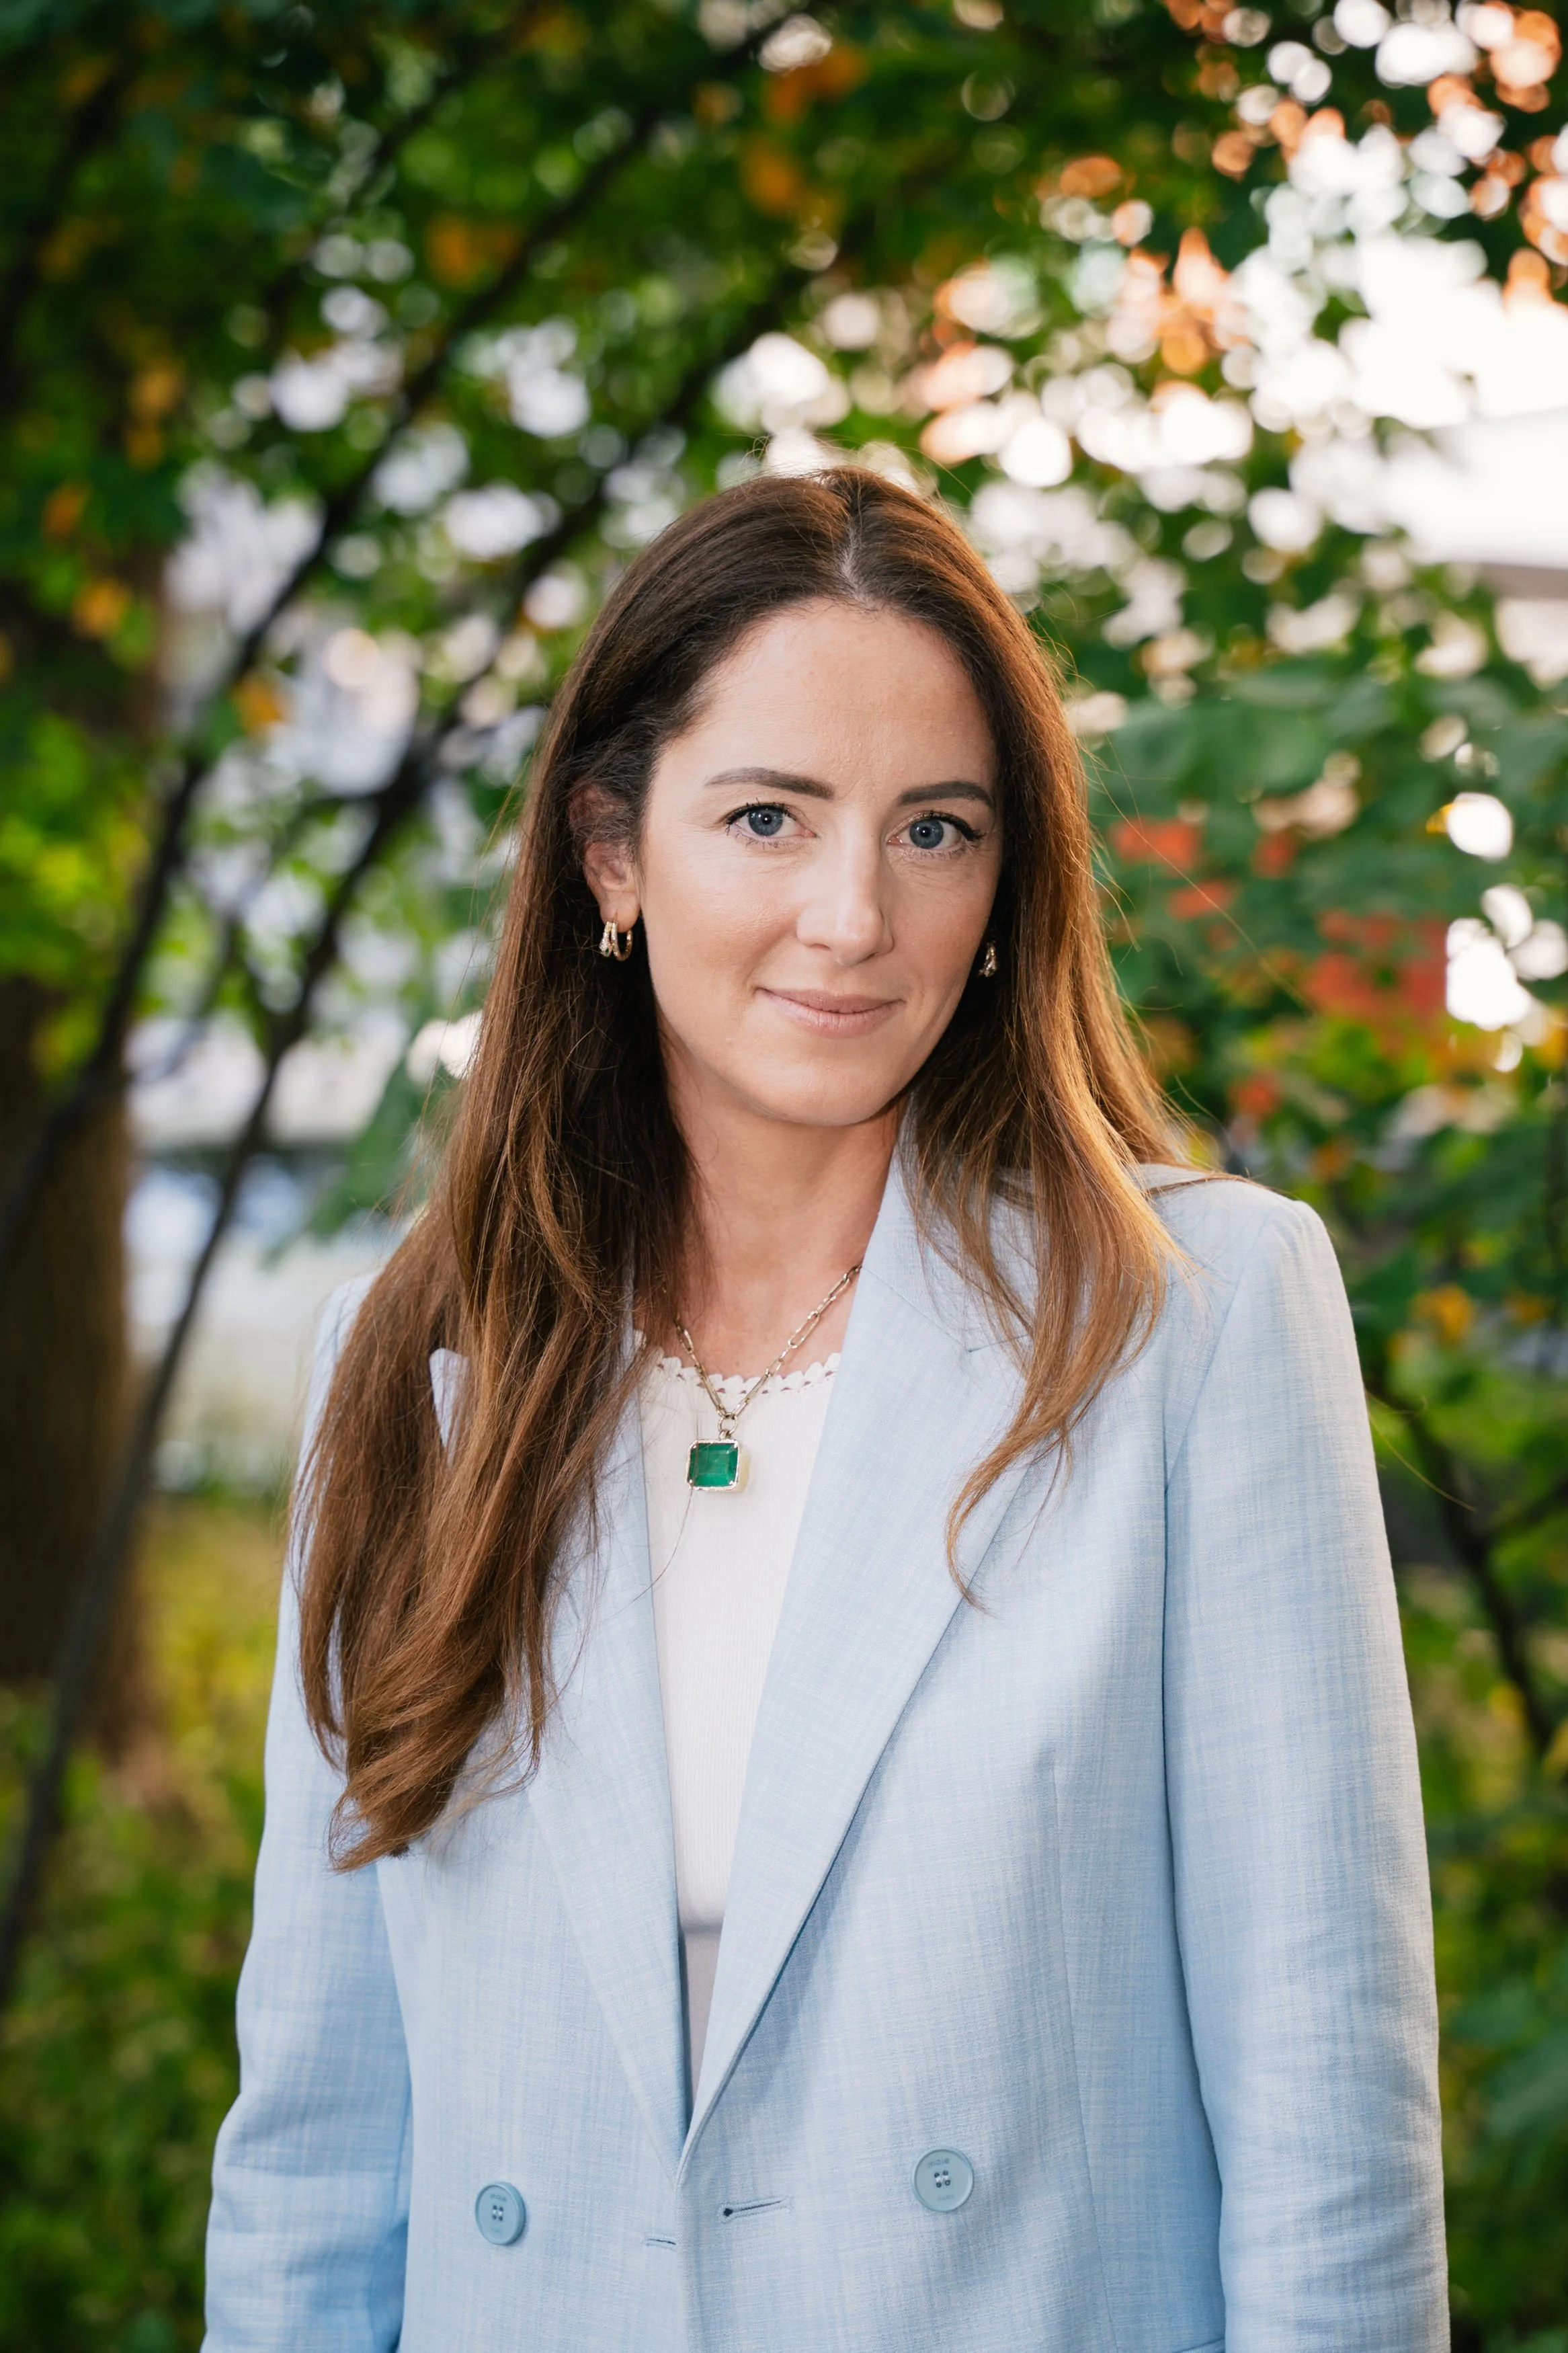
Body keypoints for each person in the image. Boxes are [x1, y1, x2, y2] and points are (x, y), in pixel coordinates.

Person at [204, 468, 1446, 2352]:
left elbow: (1325, 2115)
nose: (853, 915)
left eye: (934, 829)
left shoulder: (1193, 1317)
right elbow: (315, 2134)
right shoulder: (422, 1358)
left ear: (1007, 884)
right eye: (767, 817)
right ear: (611, 855)